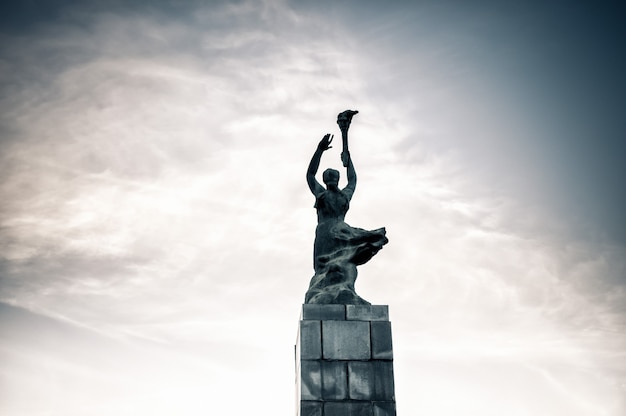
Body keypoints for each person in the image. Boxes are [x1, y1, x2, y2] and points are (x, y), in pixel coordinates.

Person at [305, 124, 388, 305]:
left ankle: (345, 290)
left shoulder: (324, 194)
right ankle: (337, 290)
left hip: (331, 231)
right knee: (334, 265)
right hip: (335, 231)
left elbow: (311, 175)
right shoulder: (339, 195)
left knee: (341, 263)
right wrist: (345, 159)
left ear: (326, 181)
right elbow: (352, 179)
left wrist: (320, 151)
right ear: (333, 180)